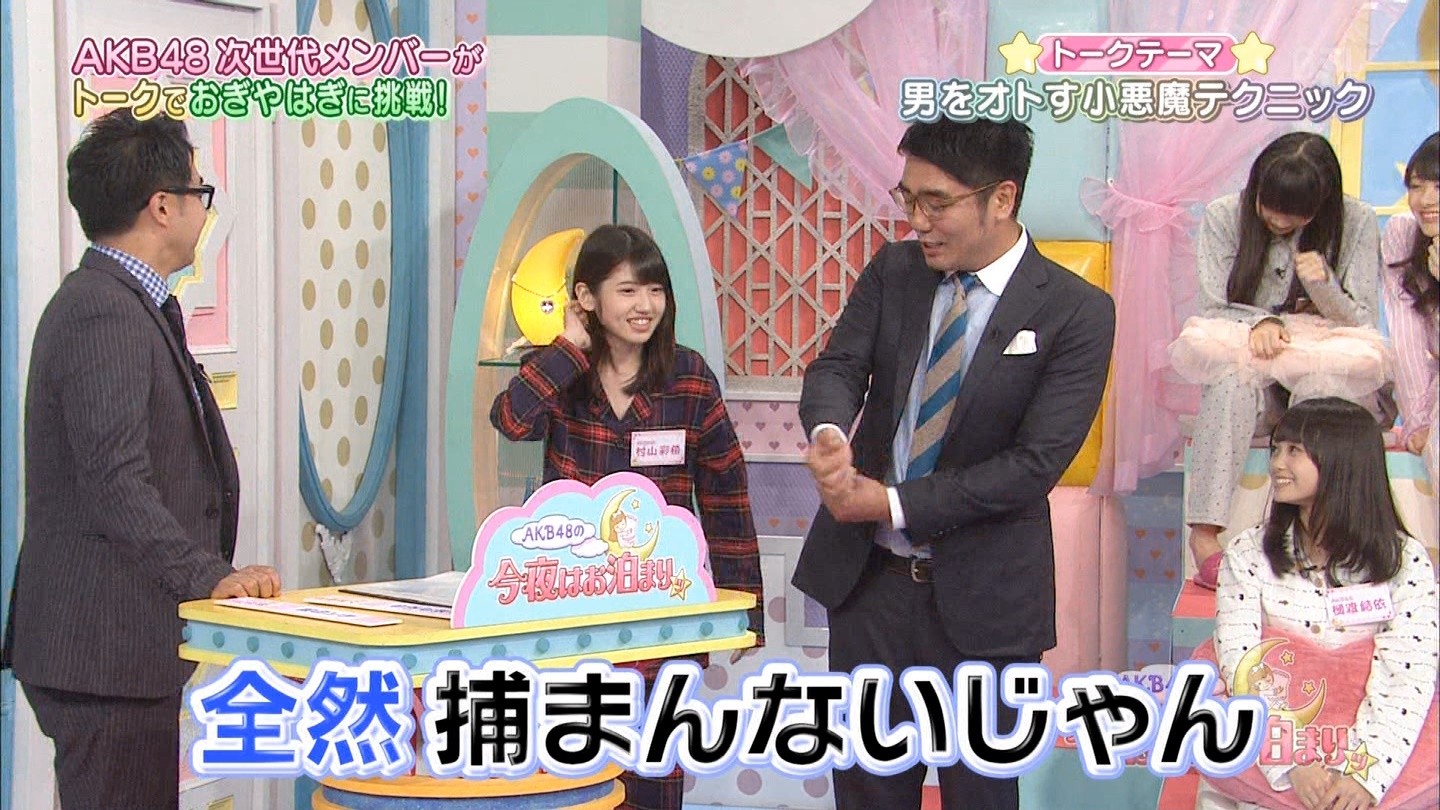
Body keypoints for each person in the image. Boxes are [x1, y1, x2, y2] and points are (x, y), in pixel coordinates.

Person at [797, 118, 1115, 810]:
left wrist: (891, 503)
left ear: (1001, 199)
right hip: (871, 589)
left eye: (936, 203)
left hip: (986, 603)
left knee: (980, 793)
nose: (917, 221)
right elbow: (839, 366)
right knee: (867, 791)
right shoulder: (896, 272)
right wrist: (828, 432)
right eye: (908, 198)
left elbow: (1032, 466)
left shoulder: (1077, 312)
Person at [0, 109, 281, 809]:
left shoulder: (129, 303)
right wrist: (208, 577)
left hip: (123, 649)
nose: (204, 210)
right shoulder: (104, 311)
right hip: (103, 651)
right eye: (199, 192)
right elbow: (115, 482)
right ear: (162, 207)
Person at [490, 223, 763, 810]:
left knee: (655, 775)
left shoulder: (688, 378)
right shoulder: (560, 373)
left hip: (662, 610)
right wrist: (568, 348)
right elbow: (511, 420)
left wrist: (744, 605)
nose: (646, 306)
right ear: (586, 297)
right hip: (569, 610)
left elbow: (725, 493)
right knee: (574, 777)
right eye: (628, 290)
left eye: (655, 290)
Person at [1170, 132, 1387, 588]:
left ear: (1321, 204)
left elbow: (1363, 319)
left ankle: (1320, 537)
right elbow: (1212, 306)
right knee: (1229, 384)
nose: (1278, 220)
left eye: (1295, 213)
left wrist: (1323, 285)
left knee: (1320, 394)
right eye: (1269, 206)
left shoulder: (1357, 221)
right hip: (1253, 364)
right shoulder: (1225, 215)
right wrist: (1262, 322)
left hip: (1320, 364)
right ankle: (1205, 534)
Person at [1200, 398, 1439, 810]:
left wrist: (1363, 774)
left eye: (1295, 450)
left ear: (1343, 460)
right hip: (1274, 734)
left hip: (1377, 740)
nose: (1277, 463)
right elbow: (1242, 662)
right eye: (1276, 448)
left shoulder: (1405, 561)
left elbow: (1406, 673)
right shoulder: (1247, 552)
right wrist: (1293, 759)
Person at [1381, 132, 1439, 489]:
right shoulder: (1403, 232)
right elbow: (1406, 339)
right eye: (1417, 186)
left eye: (1439, 186)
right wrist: (1419, 423)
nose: (1426, 200)